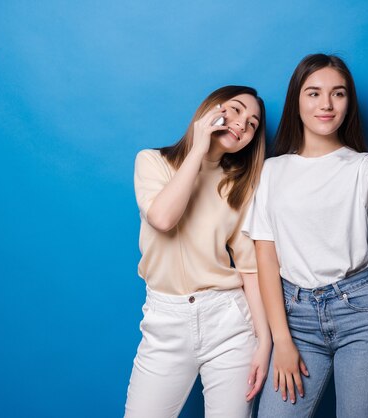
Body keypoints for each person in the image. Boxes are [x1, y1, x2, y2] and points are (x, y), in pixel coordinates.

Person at [243, 54, 368, 417]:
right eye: (313, 93)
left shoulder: (363, 165)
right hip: (295, 318)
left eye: (339, 93)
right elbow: (265, 257)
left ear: (349, 103)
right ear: (296, 100)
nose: (326, 104)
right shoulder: (272, 171)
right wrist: (282, 340)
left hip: (362, 314)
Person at [124, 86, 272, 418]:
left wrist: (264, 341)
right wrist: (199, 148)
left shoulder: (239, 186)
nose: (241, 124)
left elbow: (250, 269)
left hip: (228, 320)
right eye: (235, 110)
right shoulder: (152, 161)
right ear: (211, 109)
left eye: (251, 124)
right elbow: (163, 218)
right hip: (166, 320)